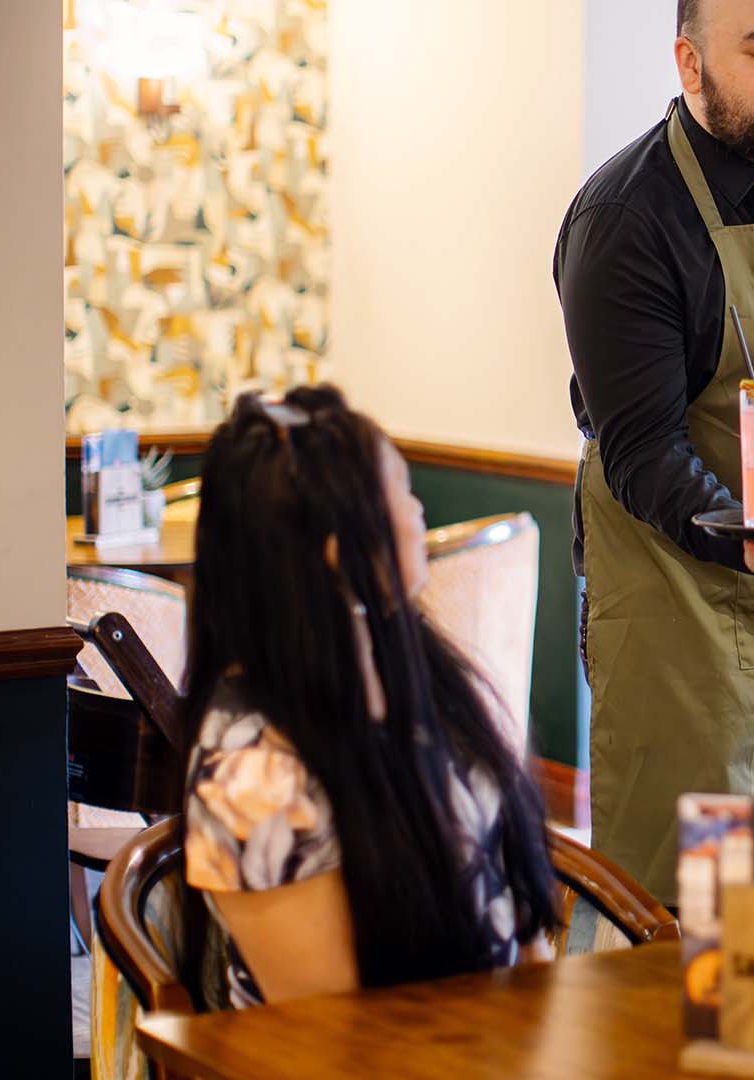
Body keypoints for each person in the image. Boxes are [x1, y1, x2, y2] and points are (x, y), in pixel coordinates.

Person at [553, 0, 754, 903]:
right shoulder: (626, 218)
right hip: (688, 617)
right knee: (698, 920)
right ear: (690, 64)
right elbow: (641, 448)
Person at [179, 386, 559, 1006]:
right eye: (399, 495)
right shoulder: (251, 775)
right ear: (336, 550)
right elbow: (333, 1034)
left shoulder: (418, 670)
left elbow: (518, 917)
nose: (418, 513)